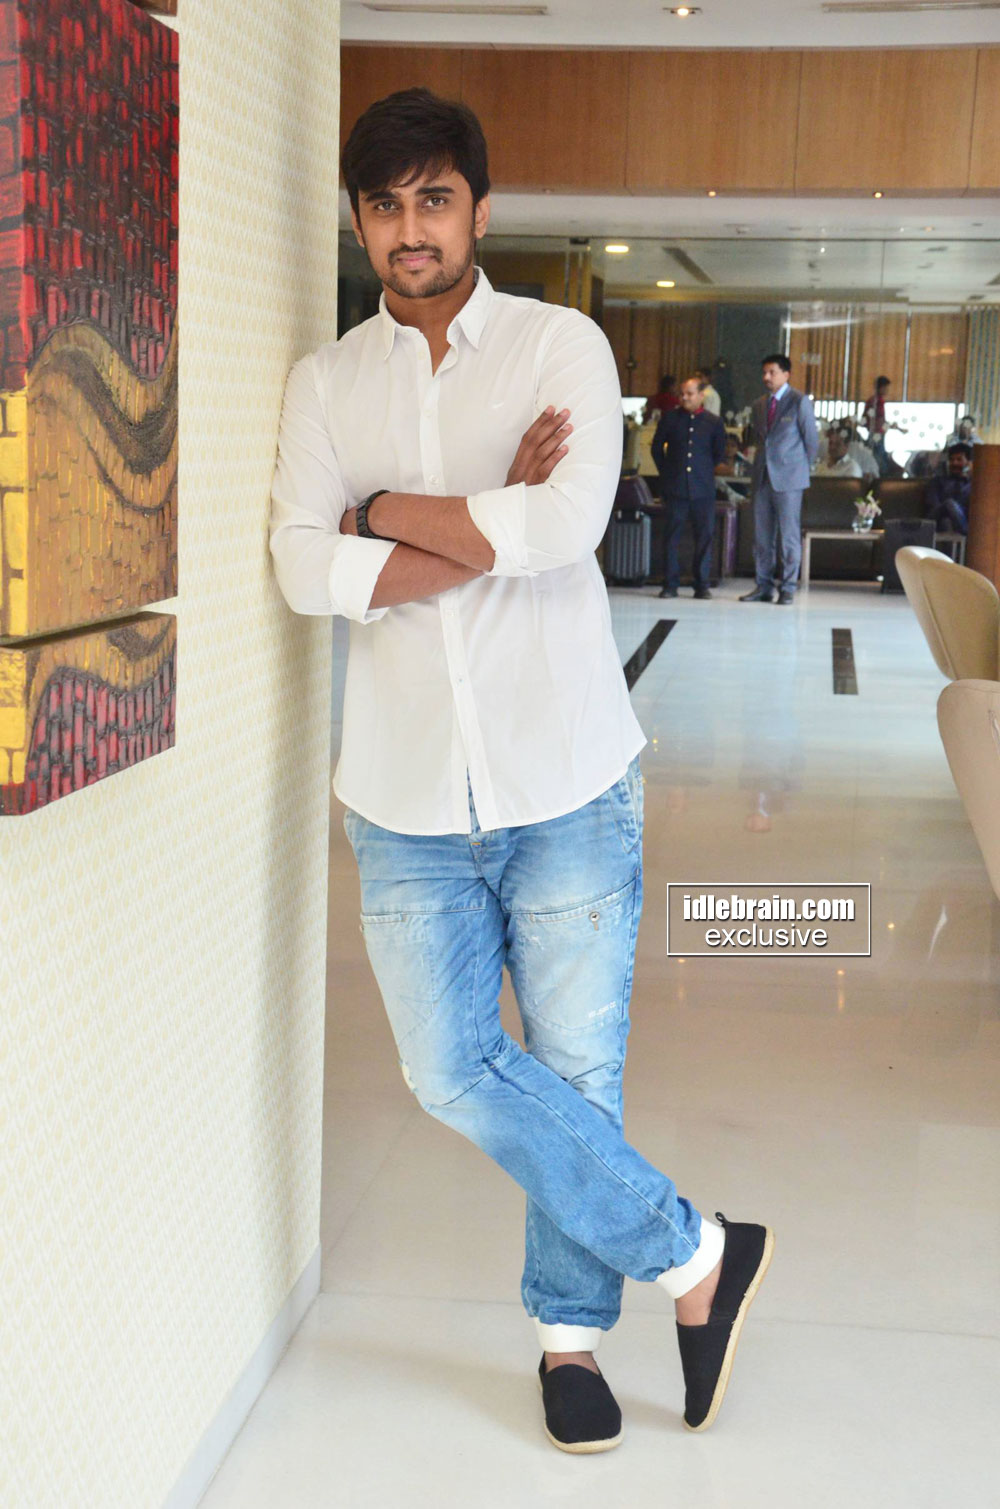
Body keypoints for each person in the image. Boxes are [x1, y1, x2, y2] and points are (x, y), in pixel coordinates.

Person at [270, 87, 772, 1456]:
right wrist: (471, 529)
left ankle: (569, 1340)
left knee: (576, 1065)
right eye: (386, 205)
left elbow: (562, 529)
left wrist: (381, 516)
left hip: (567, 778)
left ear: (479, 211)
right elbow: (300, 565)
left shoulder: (561, 345)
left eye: (434, 200)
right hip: (403, 796)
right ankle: (697, 1251)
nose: (410, 229)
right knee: (448, 1068)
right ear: (361, 222)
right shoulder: (327, 384)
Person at [741, 353, 819, 605]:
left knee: (788, 536)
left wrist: (799, 470)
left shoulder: (799, 401)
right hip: (762, 477)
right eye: (764, 372)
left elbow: (811, 441)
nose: (767, 377)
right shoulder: (759, 404)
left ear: (786, 374)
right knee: (762, 537)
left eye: (772, 372)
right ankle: (763, 586)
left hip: (789, 479)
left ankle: (788, 587)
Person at [652, 374, 726, 599]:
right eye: (682, 394)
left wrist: (703, 471)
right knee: (671, 536)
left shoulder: (713, 422)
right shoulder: (670, 418)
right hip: (675, 487)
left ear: (701, 395)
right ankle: (670, 584)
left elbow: (718, 454)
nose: (684, 397)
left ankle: (701, 584)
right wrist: (668, 472)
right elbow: (657, 449)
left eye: (690, 394)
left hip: (703, 489)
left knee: (704, 536)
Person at [925, 443, 973, 534]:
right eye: (951, 460)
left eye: (959, 459)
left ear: (969, 463)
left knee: (947, 522)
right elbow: (933, 507)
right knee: (949, 504)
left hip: (962, 520)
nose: (954, 463)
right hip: (937, 518)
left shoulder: (973, 484)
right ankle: (967, 534)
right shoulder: (938, 481)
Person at [862, 375, 905, 475]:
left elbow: (869, 420)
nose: (887, 390)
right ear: (881, 387)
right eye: (886, 388)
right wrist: (892, 427)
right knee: (879, 461)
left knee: (878, 459)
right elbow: (879, 421)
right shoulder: (877, 401)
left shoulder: (872, 400)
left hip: (875, 434)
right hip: (877, 435)